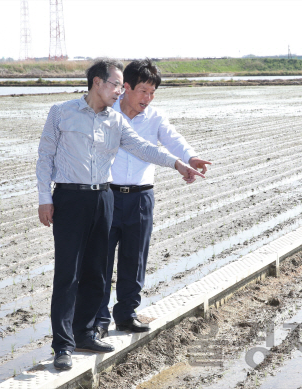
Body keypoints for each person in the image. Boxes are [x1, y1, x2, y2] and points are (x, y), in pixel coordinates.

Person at [36, 58, 204, 370]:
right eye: (115, 84)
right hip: (70, 197)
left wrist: (179, 164)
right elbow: (45, 155)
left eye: (120, 85)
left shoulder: (115, 122)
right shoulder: (61, 112)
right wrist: (45, 198)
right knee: (68, 274)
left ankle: (85, 333)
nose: (119, 89)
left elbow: (144, 148)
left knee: (98, 272)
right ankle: (63, 345)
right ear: (97, 83)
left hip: (104, 197)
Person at [93, 59, 211, 337]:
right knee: (100, 259)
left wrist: (190, 157)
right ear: (126, 87)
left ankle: (126, 315)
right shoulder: (107, 113)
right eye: (144, 91)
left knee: (135, 259)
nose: (148, 98)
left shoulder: (155, 118)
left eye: (153, 92)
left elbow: (173, 139)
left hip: (141, 197)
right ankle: (98, 320)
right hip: (107, 196)